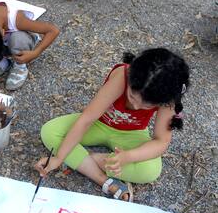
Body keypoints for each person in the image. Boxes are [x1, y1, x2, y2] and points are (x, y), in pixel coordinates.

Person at [35, 48, 190, 201]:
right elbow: (86, 119)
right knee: (49, 131)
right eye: (131, 96)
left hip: (132, 132)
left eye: (146, 107)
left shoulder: (169, 98)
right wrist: (60, 157)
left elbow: (161, 142)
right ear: (131, 78)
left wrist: (127, 156)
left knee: (150, 171)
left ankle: (82, 158)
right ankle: (102, 179)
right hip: (99, 123)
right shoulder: (123, 76)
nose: (135, 107)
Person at [0, 0, 59, 92]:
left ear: (3, 32)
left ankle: (20, 65)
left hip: (21, 38)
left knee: (18, 39)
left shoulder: (16, 19)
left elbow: (53, 30)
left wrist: (35, 53)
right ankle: (2, 63)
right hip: (3, 43)